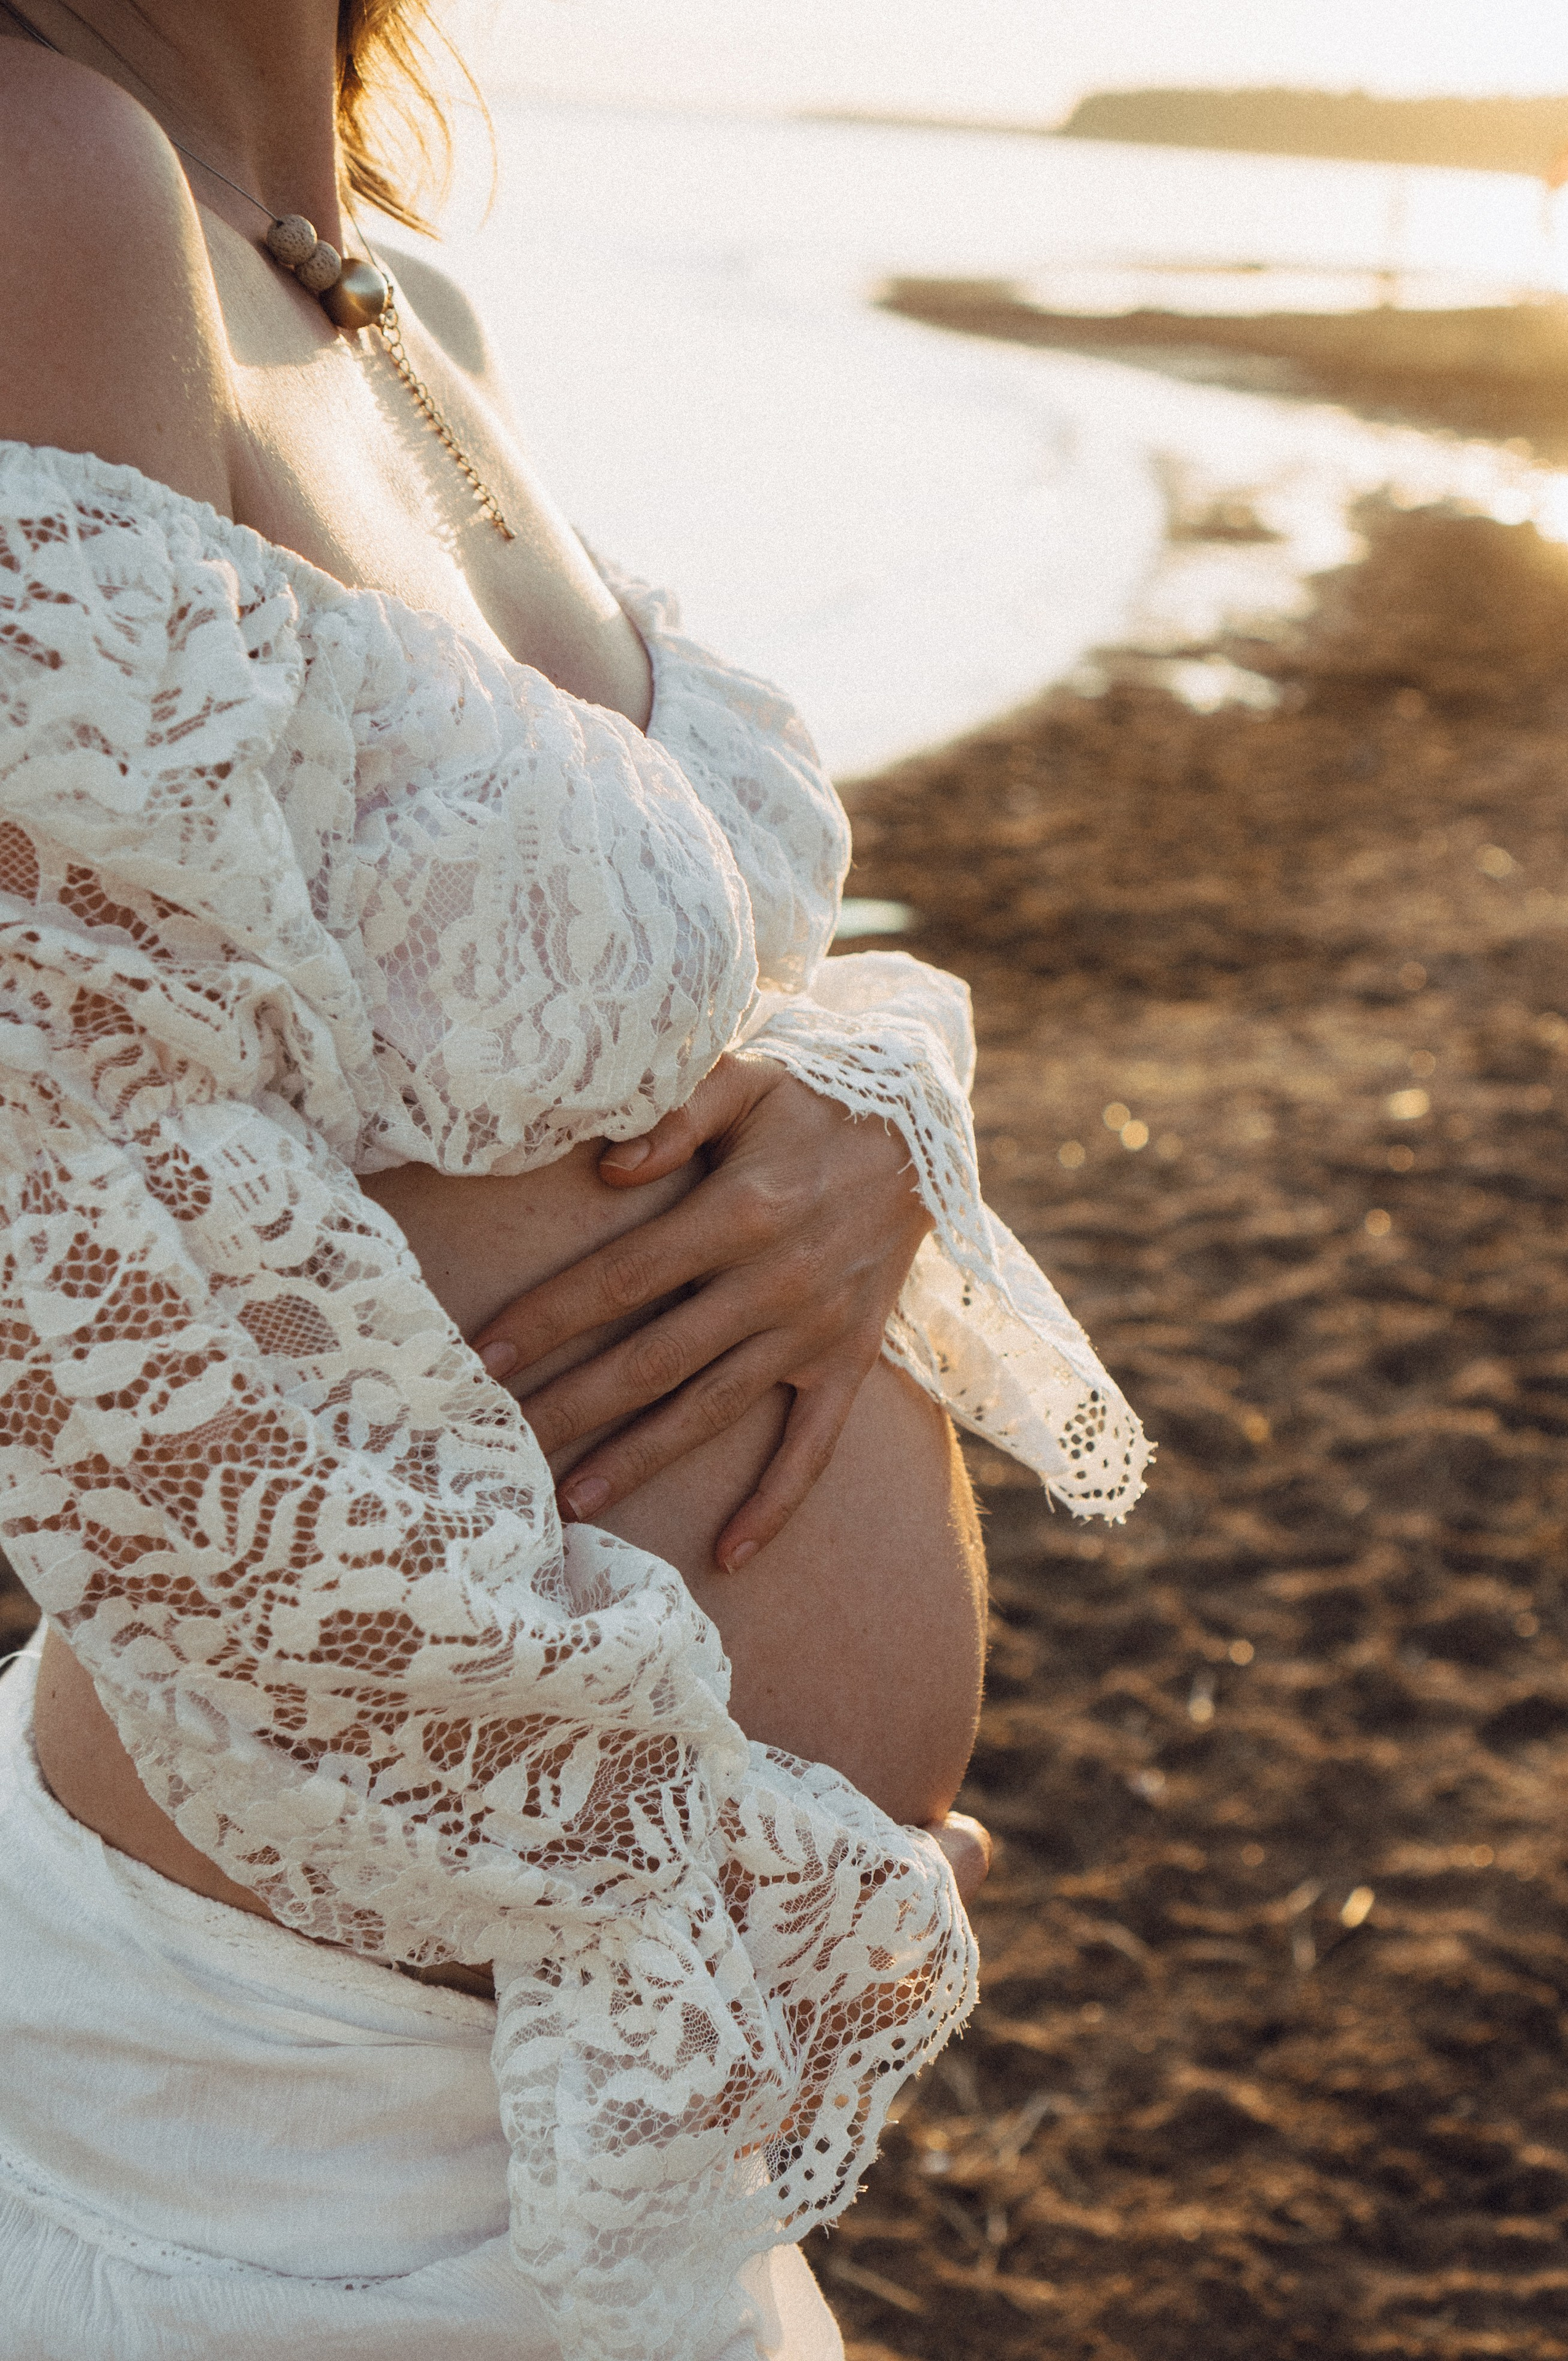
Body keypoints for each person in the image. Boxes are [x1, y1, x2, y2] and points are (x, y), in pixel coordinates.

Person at [0, 4, 1149, 2355]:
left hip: (548, 2060)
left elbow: (646, 972)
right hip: (294, 2116)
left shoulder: (384, 283)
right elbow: (87, 1295)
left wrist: (870, 1114)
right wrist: (718, 1863)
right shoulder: (44, 185)